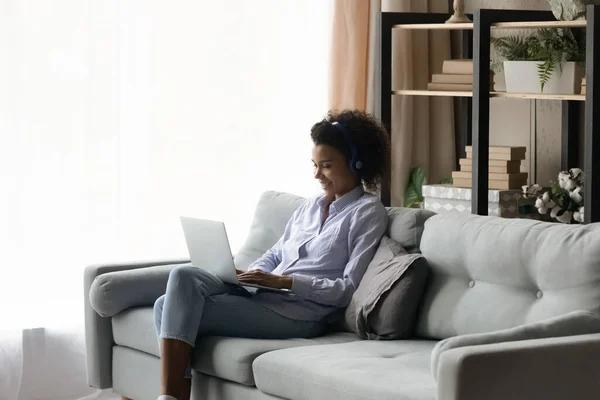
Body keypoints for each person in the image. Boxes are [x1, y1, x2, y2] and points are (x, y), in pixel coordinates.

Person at [153, 109, 391, 400]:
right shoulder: (310, 206)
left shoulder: (367, 213)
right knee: (181, 277)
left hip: (299, 313)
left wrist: (284, 282)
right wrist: (247, 275)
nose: (317, 175)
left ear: (356, 164)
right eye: (314, 165)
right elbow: (277, 251)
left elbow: (346, 290)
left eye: (326, 166)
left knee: (166, 308)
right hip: (262, 294)